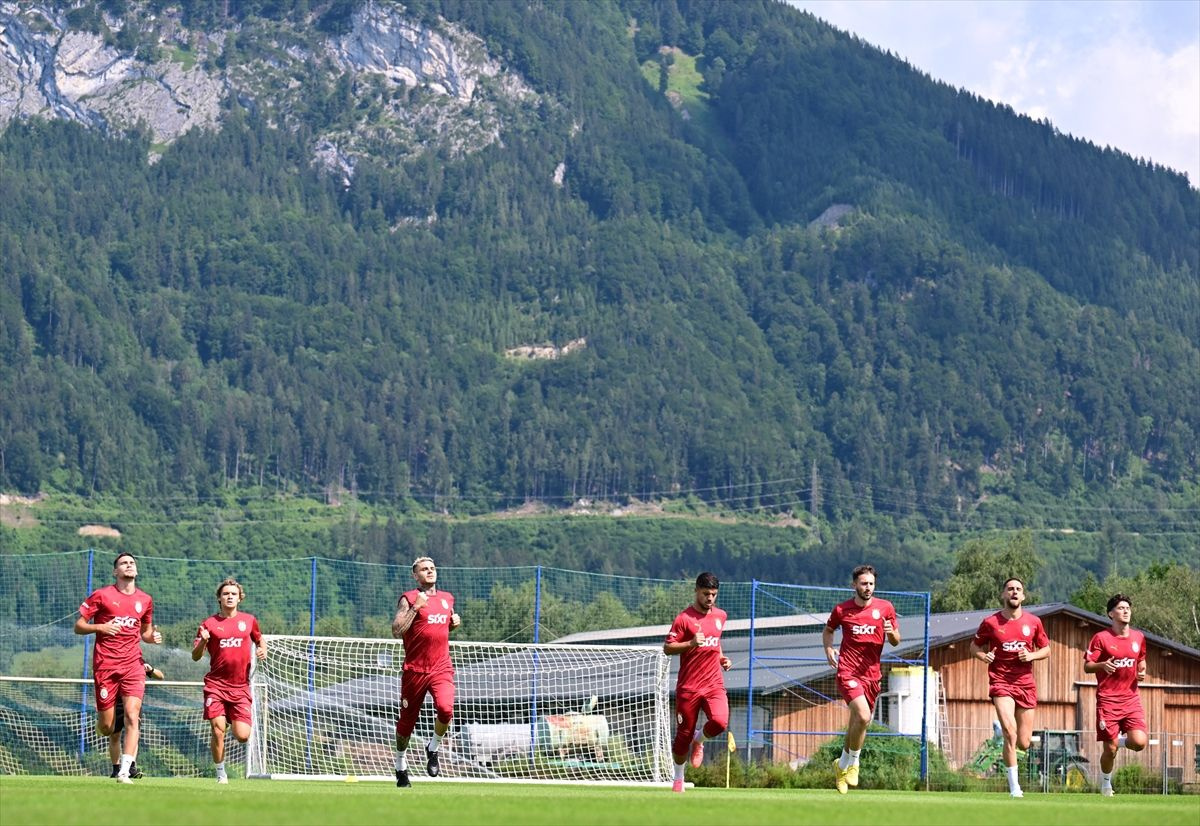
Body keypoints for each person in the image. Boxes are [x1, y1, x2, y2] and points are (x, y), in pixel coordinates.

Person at [74, 552, 163, 783]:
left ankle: (124, 771)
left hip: (133, 665)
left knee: (133, 716)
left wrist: (151, 638)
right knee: (107, 727)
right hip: (105, 666)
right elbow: (79, 626)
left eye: (132, 562)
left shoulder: (145, 599)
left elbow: (145, 632)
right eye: (124, 563)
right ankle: (104, 721)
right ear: (116, 571)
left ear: (137, 570)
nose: (129, 565)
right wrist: (101, 627)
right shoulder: (102, 595)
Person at [969, 577, 1050, 798]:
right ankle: (1015, 788)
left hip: (1025, 684)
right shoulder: (991, 623)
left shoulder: (1034, 622)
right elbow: (973, 646)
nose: (1014, 592)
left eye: (1018, 589)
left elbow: (1046, 649)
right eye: (1010, 589)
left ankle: (1001, 732)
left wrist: (1031, 654)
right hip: (1001, 682)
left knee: (1023, 742)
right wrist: (983, 655)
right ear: (1004, 595)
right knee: (1010, 733)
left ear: (1023, 596)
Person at [823, 564, 900, 795]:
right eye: (864, 583)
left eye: (871, 584)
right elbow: (828, 630)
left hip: (872, 675)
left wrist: (890, 632)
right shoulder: (842, 609)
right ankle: (854, 763)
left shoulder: (885, 608)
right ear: (854, 585)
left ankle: (842, 765)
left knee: (859, 722)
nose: (868, 588)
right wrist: (829, 649)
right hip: (848, 671)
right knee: (864, 716)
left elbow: (896, 640)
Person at [391, 556, 460, 787]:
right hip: (415, 671)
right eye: (424, 569)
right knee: (406, 724)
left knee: (446, 709)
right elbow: (396, 630)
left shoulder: (447, 599)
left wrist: (452, 623)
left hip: (441, 667)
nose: (430, 571)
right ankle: (401, 766)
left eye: (432, 568)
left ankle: (433, 747)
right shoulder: (409, 599)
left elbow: (438, 626)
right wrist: (415, 608)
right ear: (415, 575)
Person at [191, 578, 266, 784]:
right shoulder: (208, 624)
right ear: (219, 598)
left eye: (233, 593)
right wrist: (204, 641)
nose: (230, 596)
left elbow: (259, 639)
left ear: (240, 598)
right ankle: (221, 773)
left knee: (242, 735)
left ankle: (231, 717)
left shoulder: (249, 620)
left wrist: (262, 649)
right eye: (226, 594)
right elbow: (195, 656)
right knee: (217, 730)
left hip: (241, 687)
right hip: (215, 686)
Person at [663, 572, 732, 793]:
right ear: (696, 591)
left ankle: (699, 740)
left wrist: (721, 658)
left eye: (713, 594)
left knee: (720, 722)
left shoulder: (721, 616)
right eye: (705, 594)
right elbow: (668, 647)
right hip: (689, 687)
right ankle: (678, 778)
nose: (710, 598)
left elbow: (716, 643)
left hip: (713, 684)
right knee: (682, 736)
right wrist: (691, 643)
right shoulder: (684, 619)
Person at [1084, 593, 1148, 797]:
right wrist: (1102, 665)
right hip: (1108, 701)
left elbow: (1142, 659)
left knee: (1139, 743)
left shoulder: (1138, 637)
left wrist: (1142, 670)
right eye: (1120, 608)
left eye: (1128, 607)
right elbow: (1087, 666)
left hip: (1131, 699)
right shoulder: (1101, 638)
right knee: (1110, 750)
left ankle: (1116, 740)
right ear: (1111, 614)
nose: (1126, 610)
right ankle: (1105, 784)